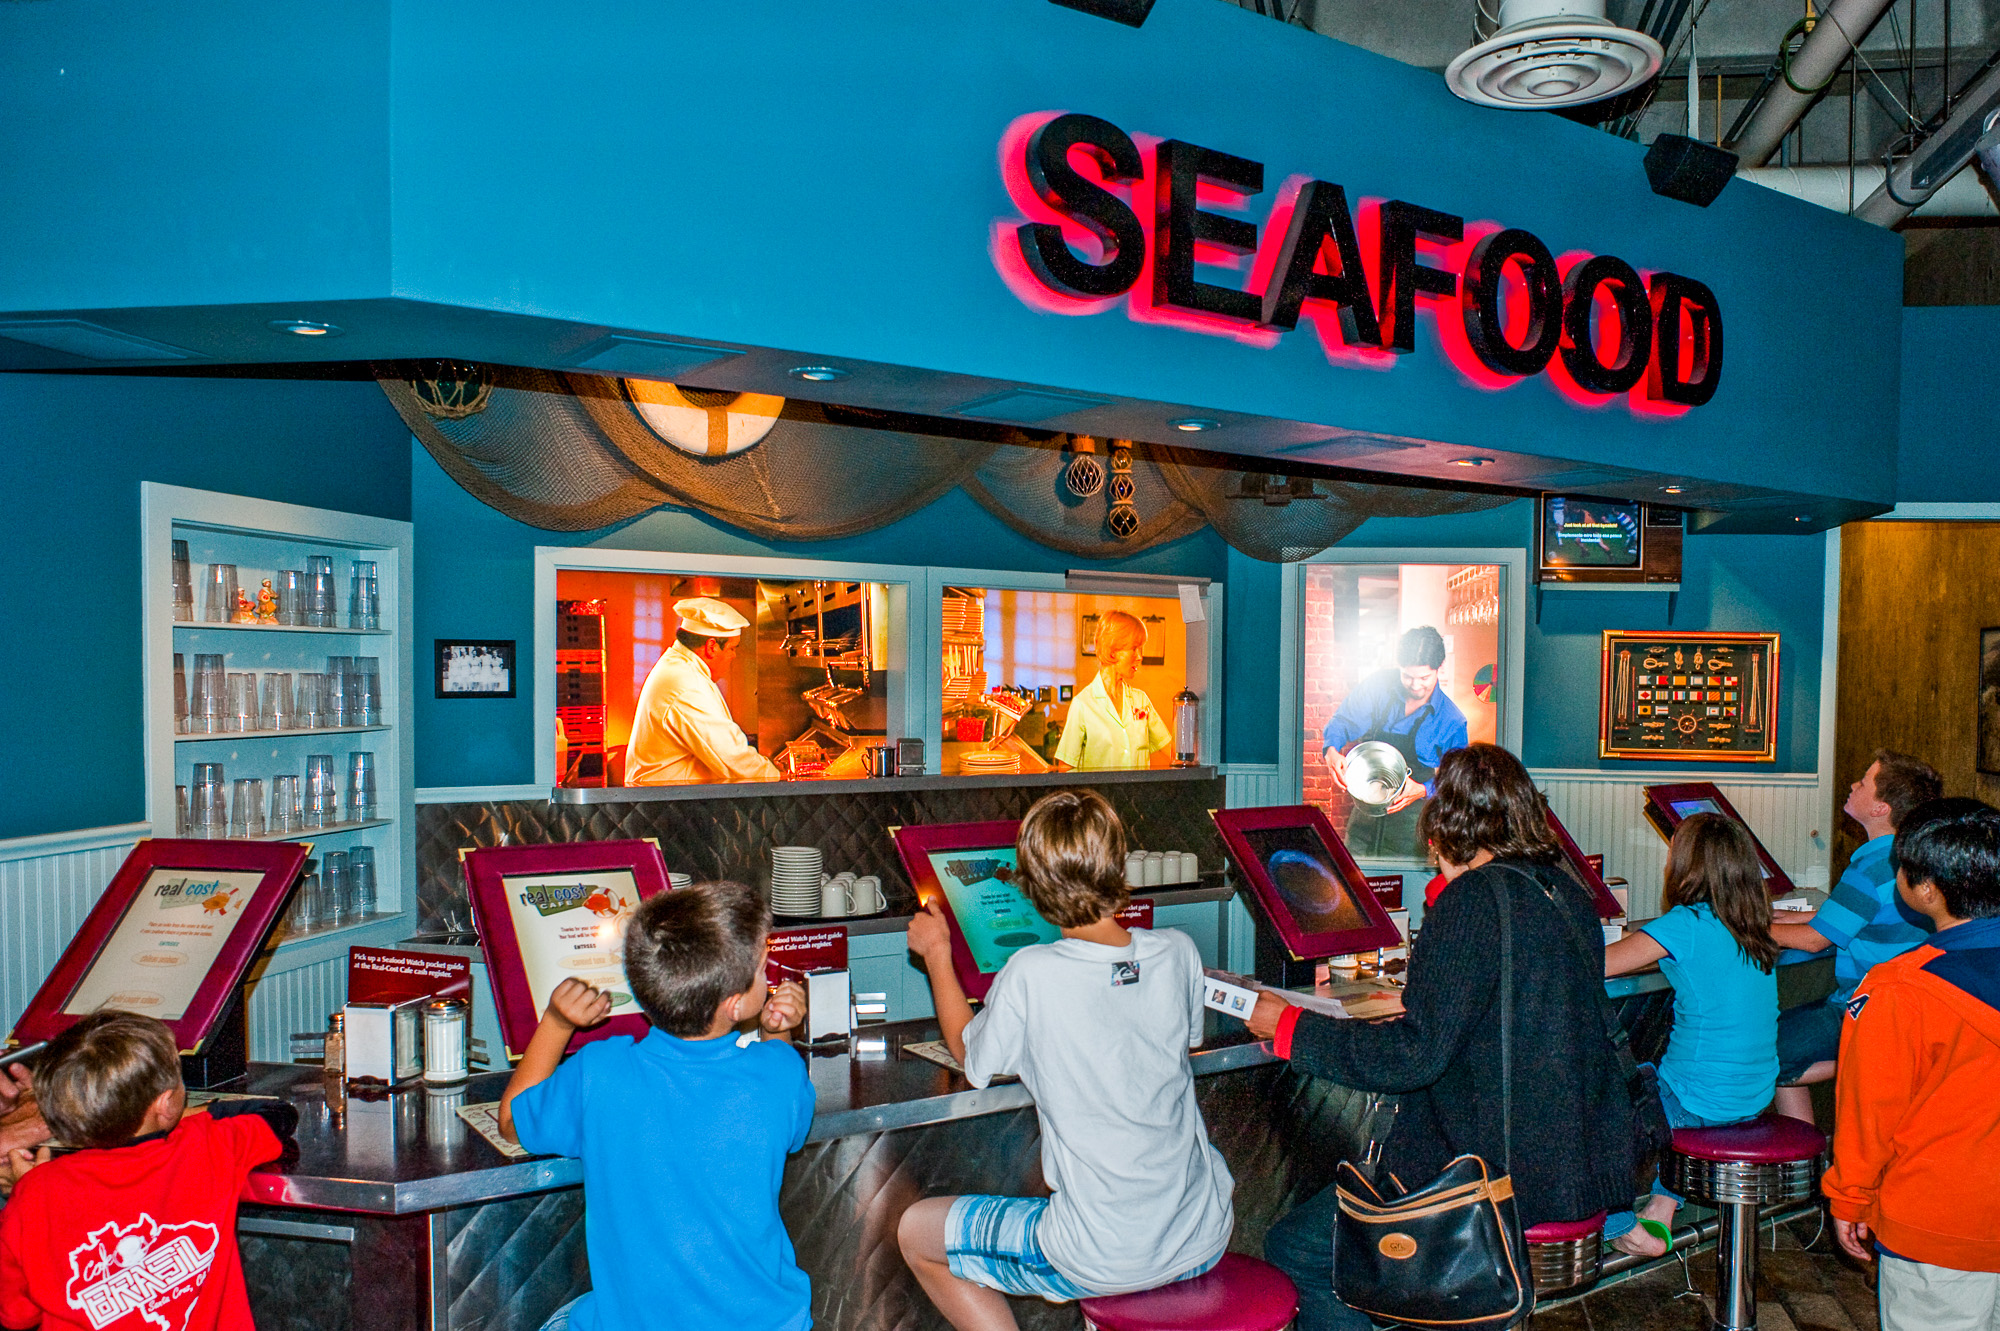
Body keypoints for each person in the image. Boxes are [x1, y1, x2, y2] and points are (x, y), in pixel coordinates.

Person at [1243, 744, 1633, 1331]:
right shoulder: (1562, 891)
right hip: (1571, 1163)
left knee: (1298, 1249)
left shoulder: (1473, 902)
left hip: (1489, 1176)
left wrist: (1290, 1028)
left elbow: (1413, 1057)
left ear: (1445, 826)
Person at [897, 789, 1234, 1330]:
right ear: (1118, 865)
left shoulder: (1032, 973)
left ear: (1028, 884)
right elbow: (1177, 1037)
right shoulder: (1178, 951)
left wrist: (938, 954)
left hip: (1102, 1257)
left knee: (916, 1231)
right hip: (1204, 1235)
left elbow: (969, 1056)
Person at [499, 881, 809, 1331]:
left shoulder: (599, 1072)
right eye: (762, 969)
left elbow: (511, 1122)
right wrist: (779, 1032)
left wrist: (557, 1022)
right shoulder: (778, 1071)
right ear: (735, 1002)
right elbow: (790, 1117)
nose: (768, 976)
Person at [0, 1011, 296, 1331]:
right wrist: (196, 1116)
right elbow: (277, 1114)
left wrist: (25, 1192)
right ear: (166, 1104)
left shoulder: (35, 1189)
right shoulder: (211, 1144)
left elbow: (15, 1314)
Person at [1824, 797, 2000, 1331]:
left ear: (1924, 889)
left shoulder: (1900, 989)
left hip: (1943, 1224)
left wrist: (1850, 1198)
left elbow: (1869, 1111)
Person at [1602, 814, 1780, 1257]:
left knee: (1593, 1103)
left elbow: (1597, 964)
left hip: (1696, 1105)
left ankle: (1617, 1223)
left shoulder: (1686, 923)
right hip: (1751, 1100)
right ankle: (1663, 1208)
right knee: (1665, 1078)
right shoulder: (1750, 923)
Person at [1769, 750, 1942, 1122]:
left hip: (1867, 1010)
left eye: (1863, 782)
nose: (1852, 785)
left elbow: (1816, 940)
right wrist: (1792, 915)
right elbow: (1855, 917)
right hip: (1912, 1008)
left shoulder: (1870, 865)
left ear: (1881, 808)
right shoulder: (1907, 855)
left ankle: (1857, 1061)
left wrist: (1741, 924)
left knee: (1764, 1048)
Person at [1319, 625, 1469, 857]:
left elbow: (1459, 779)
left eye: (1424, 677)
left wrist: (1423, 789)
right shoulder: (1378, 686)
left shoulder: (1452, 720)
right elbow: (1344, 721)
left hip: (1411, 823)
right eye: (1407, 676)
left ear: (1440, 668)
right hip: (1365, 813)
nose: (1415, 685)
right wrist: (1331, 750)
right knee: (1355, 879)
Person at [625, 596, 783, 786]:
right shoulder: (686, 684)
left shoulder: (681, 668)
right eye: (732, 648)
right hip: (665, 805)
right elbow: (733, 759)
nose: (733, 656)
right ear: (711, 647)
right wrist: (778, 777)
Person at [1051, 611, 1170, 772]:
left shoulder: (1141, 700)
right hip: (1100, 796)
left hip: (1138, 795)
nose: (1140, 657)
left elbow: (1171, 750)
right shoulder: (1083, 704)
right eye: (1134, 649)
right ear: (1113, 651)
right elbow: (1065, 767)